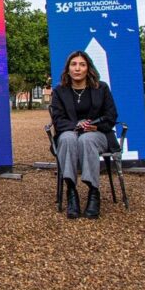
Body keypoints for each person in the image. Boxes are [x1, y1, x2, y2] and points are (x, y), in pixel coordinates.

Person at [50, 50, 118, 219]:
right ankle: (71, 192)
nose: (77, 68)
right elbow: (58, 120)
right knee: (66, 139)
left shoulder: (101, 88)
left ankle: (93, 192)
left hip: (97, 134)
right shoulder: (60, 91)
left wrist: (95, 126)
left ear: (88, 68)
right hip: (70, 132)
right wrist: (77, 125)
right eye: (73, 64)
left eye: (82, 64)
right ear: (68, 69)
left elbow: (111, 116)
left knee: (87, 139)